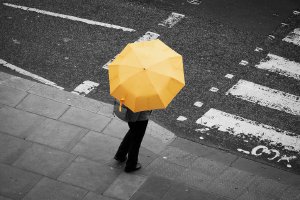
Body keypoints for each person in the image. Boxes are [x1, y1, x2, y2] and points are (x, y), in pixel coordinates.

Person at [114, 107, 152, 172]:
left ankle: (120, 155)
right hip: (140, 117)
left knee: (132, 132)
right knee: (136, 139)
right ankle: (131, 165)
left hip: (131, 114)